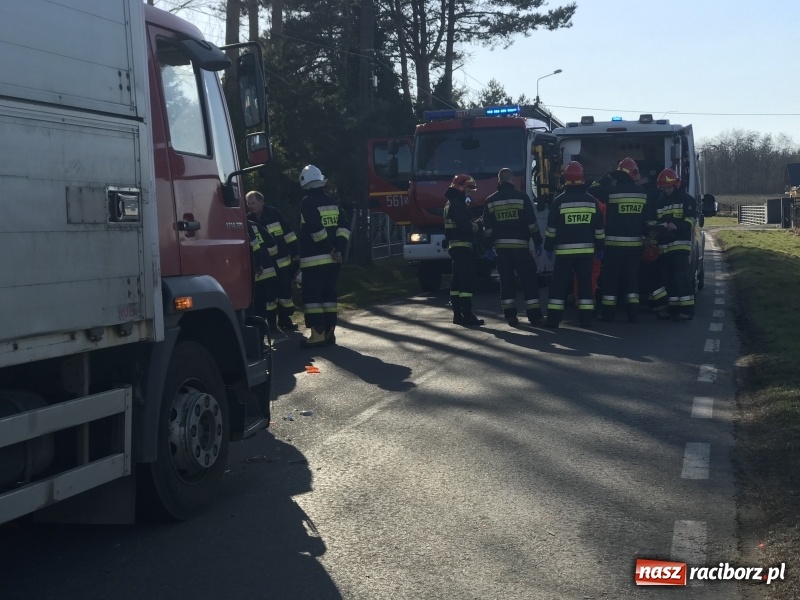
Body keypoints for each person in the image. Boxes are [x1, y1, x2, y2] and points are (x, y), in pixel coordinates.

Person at [544, 161, 605, 329]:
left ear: (565, 179)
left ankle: (553, 320)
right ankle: (586, 319)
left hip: (564, 253)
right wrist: (599, 249)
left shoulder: (558, 202)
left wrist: (548, 246)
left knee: (559, 285)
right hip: (586, 252)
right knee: (585, 284)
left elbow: (551, 229)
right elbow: (599, 229)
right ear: (582, 179)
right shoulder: (592, 202)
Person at [588, 157, 649, 322]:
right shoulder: (643, 193)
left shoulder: (610, 191)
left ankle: (608, 314)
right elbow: (647, 220)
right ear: (633, 173)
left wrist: (608, 177)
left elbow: (592, 190)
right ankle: (633, 314)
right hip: (635, 246)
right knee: (632, 280)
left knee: (610, 280)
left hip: (613, 245)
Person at [297, 164, 351, 348]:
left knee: (313, 297)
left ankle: (317, 334)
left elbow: (315, 230)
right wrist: (338, 249)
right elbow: (344, 227)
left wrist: (329, 249)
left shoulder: (307, 202)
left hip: (314, 260)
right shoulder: (333, 201)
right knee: (329, 296)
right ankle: (329, 332)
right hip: (333, 261)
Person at [482, 168, 543, 325]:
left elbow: (487, 229)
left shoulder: (490, 200)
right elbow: (532, 224)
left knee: (506, 282)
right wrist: (538, 242)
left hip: (502, 250)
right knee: (529, 280)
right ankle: (535, 316)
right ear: (512, 180)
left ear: (499, 181)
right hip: (521, 248)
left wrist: (488, 247)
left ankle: (510, 316)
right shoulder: (522, 198)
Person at [246, 191, 300, 331]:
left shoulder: (275, 214)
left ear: (261, 201)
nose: (250, 206)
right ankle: (271, 324)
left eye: (253, 202)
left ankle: (285, 319)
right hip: (265, 266)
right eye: (248, 203)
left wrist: (296, 253)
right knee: (269, 296)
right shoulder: (248, 220)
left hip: (282, 262)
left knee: (285, 292)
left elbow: (289, 234)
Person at [651, 168, 697, 320]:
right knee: (669, 279)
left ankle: (688, 309)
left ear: (675, 185)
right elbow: (656, 221)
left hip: (680, 245)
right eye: (663, 188)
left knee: (681, 277)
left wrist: (677, 226)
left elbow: (691, 219)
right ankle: (674, 308)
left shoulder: (686, 199)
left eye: (668, 187)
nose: (666, 190)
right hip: (665, 247)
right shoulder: (660, 202)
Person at [444, 173, 484, 326]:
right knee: (466, 283)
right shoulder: (457, 204)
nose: (469, 193)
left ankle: (457, 315)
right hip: (463, 247)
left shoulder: (450, 203)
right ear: (461, 187)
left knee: (456, 283)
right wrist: (479, 224)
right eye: (468, 190)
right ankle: (467, 316)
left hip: (455, 247)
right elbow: (466, 227)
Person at [245, 214, 279, 338]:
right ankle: (272, 326)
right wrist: (267, 257)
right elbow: (273, 245)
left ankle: (260, 336)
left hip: (255, 274)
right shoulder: (254, 225)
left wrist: (258, 263)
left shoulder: (244, 225)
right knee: (270, 302)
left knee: (257, 306)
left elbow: (254, 246)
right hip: (268, 271)